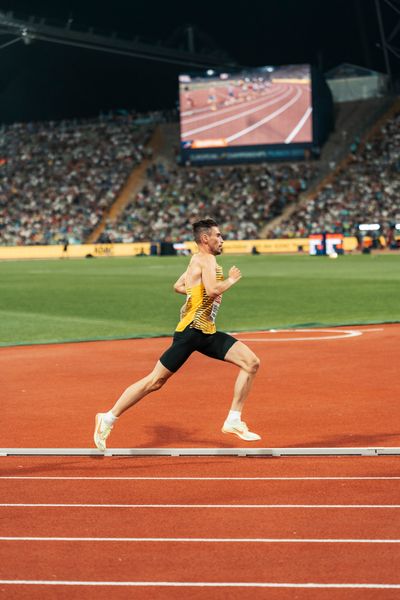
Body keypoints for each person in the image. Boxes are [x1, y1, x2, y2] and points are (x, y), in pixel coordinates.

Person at [94, 218, 261, 451]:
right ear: (205, 239)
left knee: (251, 362)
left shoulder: (197, 260)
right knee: (155, 381)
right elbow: (213, 290)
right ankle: (108, 417)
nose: (222, 240)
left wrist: (194, 296)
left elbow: (178, 286)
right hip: (191, 332)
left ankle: (233, 420)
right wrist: (231, 280)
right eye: (218, 235)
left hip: (206, 332)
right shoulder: (207, 259)